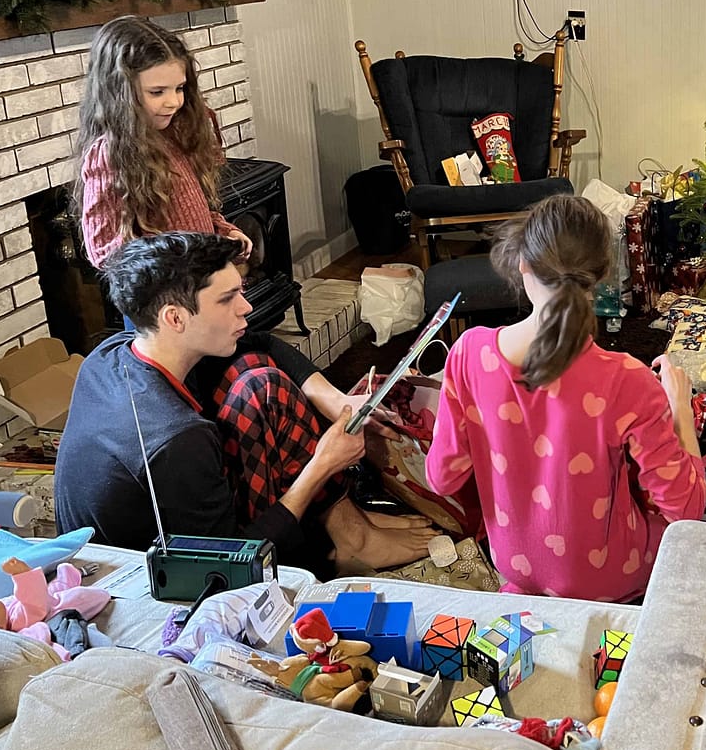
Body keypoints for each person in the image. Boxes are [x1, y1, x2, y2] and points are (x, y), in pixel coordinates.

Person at [56, 232, 436, 574]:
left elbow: (263, 344)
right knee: (261, 387)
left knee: (258, 376)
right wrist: (322, 465)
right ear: (175, 318)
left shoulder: (115, 351)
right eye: (227, 299)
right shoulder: (178, 438)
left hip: (182, 526)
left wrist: (335, 399)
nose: (246, 307)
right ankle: (342, 538)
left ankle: (351, 528)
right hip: (146, 581)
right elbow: (230, 566)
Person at [426, 195, 706, 602]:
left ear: (523, 261)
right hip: (608, 578)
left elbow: (442, 477)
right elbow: (686, 510)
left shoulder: (468, 353)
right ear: (601, 274)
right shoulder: (627, 378)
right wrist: (679, 407)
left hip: (514, 566)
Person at [73, 15, 252, 268]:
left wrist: (222, 232)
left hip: (197, 285)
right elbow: (103, 252)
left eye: (179, 88)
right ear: (119, 91)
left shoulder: (172, 135)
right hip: (165, 299)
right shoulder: (108, 154)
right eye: (157, 92)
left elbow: (185, 214)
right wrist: (184, 255)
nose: (174, 102)